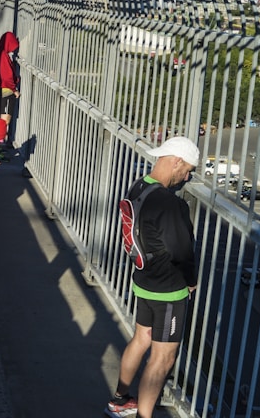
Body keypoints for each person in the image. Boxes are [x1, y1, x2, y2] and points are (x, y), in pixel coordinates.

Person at [105, 137, 199, 418]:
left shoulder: (139, 186)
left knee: (141, 337)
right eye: (188, 170)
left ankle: (120, 399)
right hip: (168, 290)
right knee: (163, 357)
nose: (187, 177)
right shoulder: (170, 204)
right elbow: (182, 251)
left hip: (142, 278)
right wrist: (191, 281)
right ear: (176, 161)